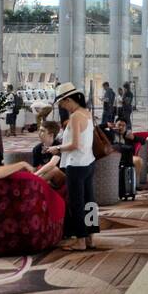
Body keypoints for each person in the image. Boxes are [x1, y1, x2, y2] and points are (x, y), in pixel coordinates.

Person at [47, 83, 99, 252]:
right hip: (89, 162)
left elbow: (75, 144)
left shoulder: (76, 116)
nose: (62, 107)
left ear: (69, 100)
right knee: (89, 201)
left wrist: (57, 148)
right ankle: (91, 237)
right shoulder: (87, 113)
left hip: (76, 165)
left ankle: (80, 240)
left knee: (76, 203)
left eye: (62, 103)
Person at [29, 120, 66, 188]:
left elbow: (52, 164)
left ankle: (32, 185)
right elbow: (35, 168)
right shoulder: (37, 149)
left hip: (60, 178)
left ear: (51, 134)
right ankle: (34, 184)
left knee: (54, 169)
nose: (39, 133)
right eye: (39, 130)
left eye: (42, 131)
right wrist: (34, 174)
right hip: (46, 177)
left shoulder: (58, 146)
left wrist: (35, 176)